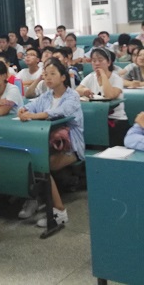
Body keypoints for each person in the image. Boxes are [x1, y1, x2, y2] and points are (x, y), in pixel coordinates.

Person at [17, 58, 85, 226]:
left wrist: (34, 116)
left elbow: (60, 112)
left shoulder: (73, 96)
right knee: (27, 159)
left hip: (71, 146)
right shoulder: (46, 95)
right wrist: (24, 110)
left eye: (52, 74)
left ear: (63, 77)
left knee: (42, 165)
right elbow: (31, 106)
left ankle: (59, 212)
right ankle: (34, 200)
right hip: (47, 141)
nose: (48, 78)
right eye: (45, 74)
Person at [76, 47, 127, 146]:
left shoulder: (116, 79)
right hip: (96, 118)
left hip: (115, 120)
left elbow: (109, 95)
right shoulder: (91, 77)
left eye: (100, 60)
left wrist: (103, 75)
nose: (97, 63)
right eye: (94, 61)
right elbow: (76, 91)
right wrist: (84, 91)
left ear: (109, 62)